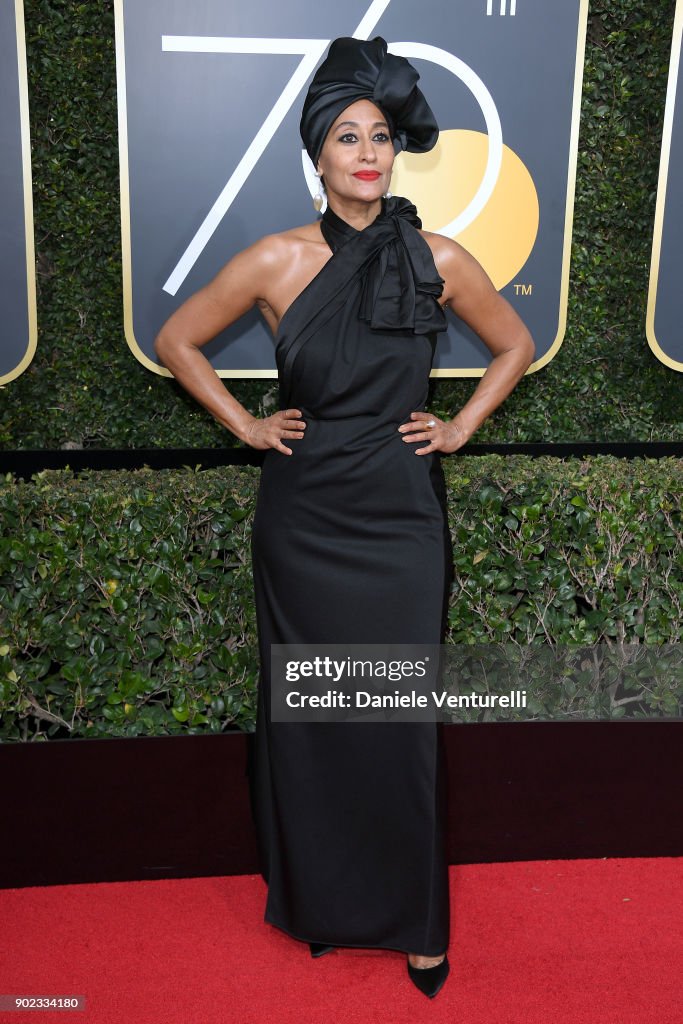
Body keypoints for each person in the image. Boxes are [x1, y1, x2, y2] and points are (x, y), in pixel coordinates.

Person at [154, 36, 535, 999]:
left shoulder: (438, 256)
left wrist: (461, 428)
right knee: (316, 717)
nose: (367, 153)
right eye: (345, 137)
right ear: (316, 153)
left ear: (394, 152)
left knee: (396, 718)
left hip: (399, 516)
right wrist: (245, 423)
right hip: (306, 516)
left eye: (379, 137)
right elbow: (176, 338)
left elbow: (514, 343)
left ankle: (413, 922)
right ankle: (326, 902)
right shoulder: (276, 259)